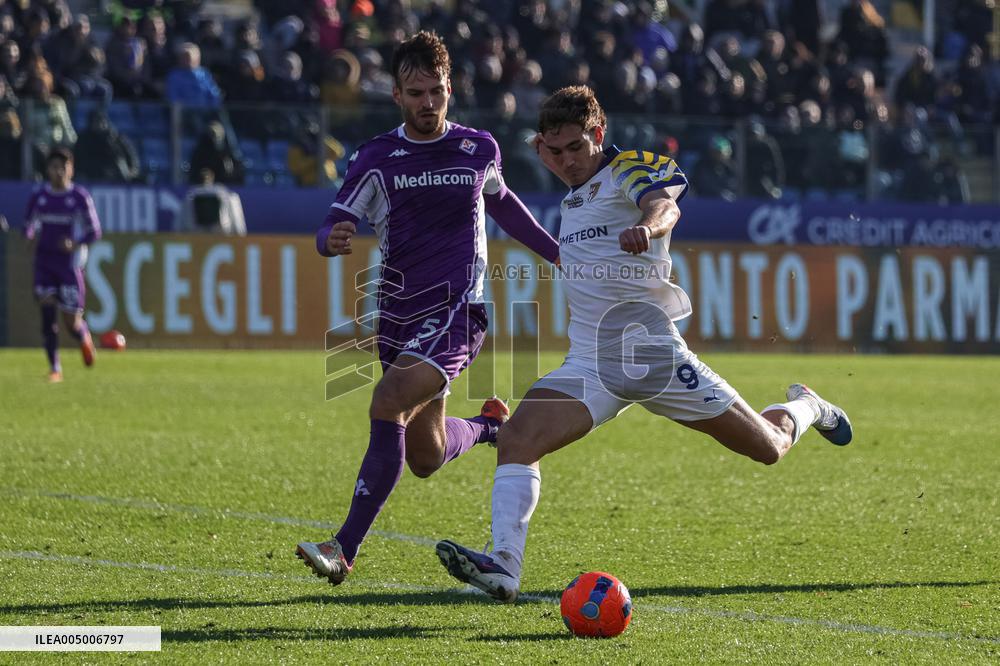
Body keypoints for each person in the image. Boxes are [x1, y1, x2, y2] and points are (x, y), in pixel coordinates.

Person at [435, 86, 853, 603]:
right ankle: (503, 566)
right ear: (542, 148)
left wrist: (647, 227)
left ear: (599, 135)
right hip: (590, 362)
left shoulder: (629, 168)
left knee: (768, 447)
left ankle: (807, 406)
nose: (567, 161)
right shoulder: (571, 195)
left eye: (577, 148)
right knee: (519, 437)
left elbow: (664, 207)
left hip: (654, 357)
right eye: (556, 151)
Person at [295, 31, 560, 586]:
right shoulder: (376, 157)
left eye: (436, 91)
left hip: (459, 308)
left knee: (389, 398)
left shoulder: (477, 148)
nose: (428, 103)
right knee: (424, 454)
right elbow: (330, 221)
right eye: (416, 93)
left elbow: (505, 208)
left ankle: (343, 548)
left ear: (449, 89)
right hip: (397, 314)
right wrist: (331, 239)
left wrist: (558, 253)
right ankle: (489, 427)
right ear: (396, 95)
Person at [23, 147, 101, 383]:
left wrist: (75, 243)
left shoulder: (79, 197)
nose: (58, 172)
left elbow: (95, 232)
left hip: (69, 266)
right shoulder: (39, 197)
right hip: (45, 262)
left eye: (62, 167)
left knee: (71, 322)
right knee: (48, 314)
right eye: (53, 167)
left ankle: (83, 336)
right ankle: (55, 368)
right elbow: (29, 224)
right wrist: (28, 236)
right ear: (47, 170)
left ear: (71, 169)